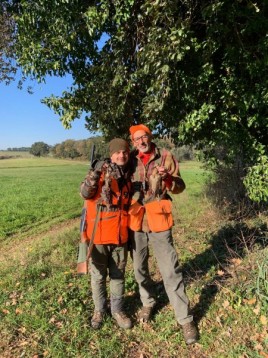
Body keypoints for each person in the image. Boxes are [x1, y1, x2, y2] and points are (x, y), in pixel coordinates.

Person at [128, 124, 198, 345]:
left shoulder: (166, 157)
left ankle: (185, 319)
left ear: (150, 137)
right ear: (133, 141)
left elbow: (179, 187)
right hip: (137, 221)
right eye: (137, 138)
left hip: (159, 219)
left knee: (170, 270)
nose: (141, 141)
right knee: (139, 269)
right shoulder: (129, 159)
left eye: (144, 137)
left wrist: (168, 178)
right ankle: (148, 303)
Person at [80, 138, 132, 330]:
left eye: (125, 152)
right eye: (117, 152)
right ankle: (99, 310)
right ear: (111, 155)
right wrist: (94, 173)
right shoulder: (99, 173)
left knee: (118, 276)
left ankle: (117, 310)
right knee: (98, 277)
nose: (121, 155)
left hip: (120, 237)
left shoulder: (128, 176)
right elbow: (85, 193)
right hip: (98, 237)